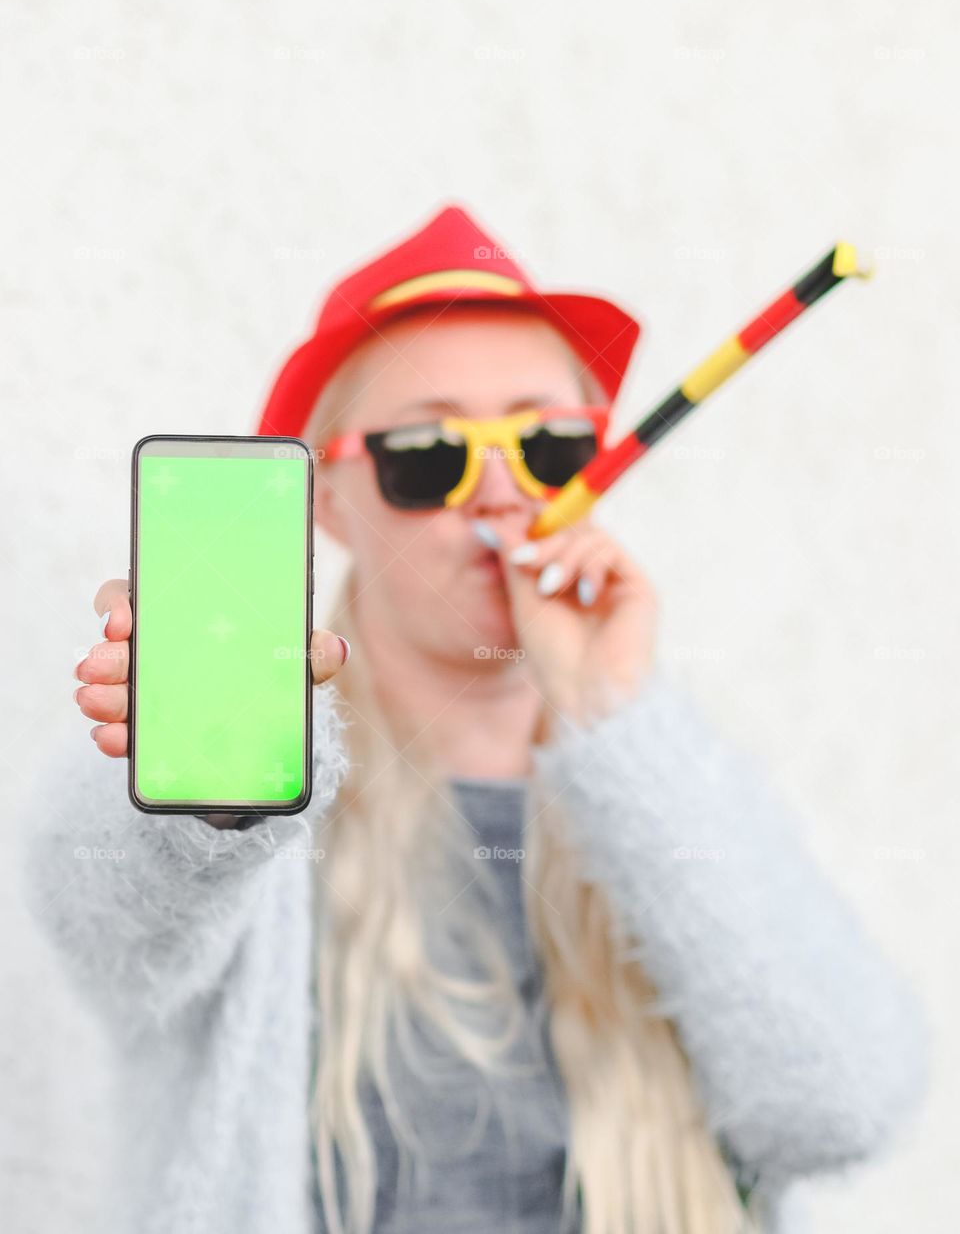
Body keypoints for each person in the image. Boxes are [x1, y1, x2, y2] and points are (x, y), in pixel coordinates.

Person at [24, 204, 926, 1234]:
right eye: (425, 455)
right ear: (326, 503)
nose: (499, 490)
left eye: (548, 445)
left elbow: (844, 1103)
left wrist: (614, 718)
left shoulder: (673, 780)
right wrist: (212, 785)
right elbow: (110, 923)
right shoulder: (262, 809)